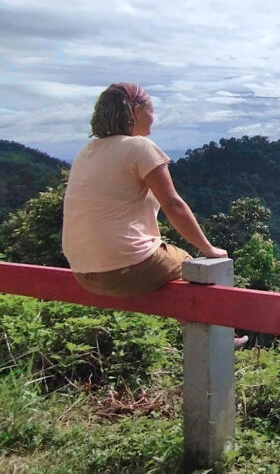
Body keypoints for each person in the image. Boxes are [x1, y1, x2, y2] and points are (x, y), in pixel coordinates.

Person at [62, 83, 247, 347]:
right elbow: (173, 204)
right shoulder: (140, 147)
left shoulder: (86, 151)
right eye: (151, 110)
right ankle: (221, 340)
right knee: (195, 265)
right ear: (135, 112)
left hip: (82, 273)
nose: (154, 117)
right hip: (125, 268)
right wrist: (208, 248)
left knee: (169, 261)